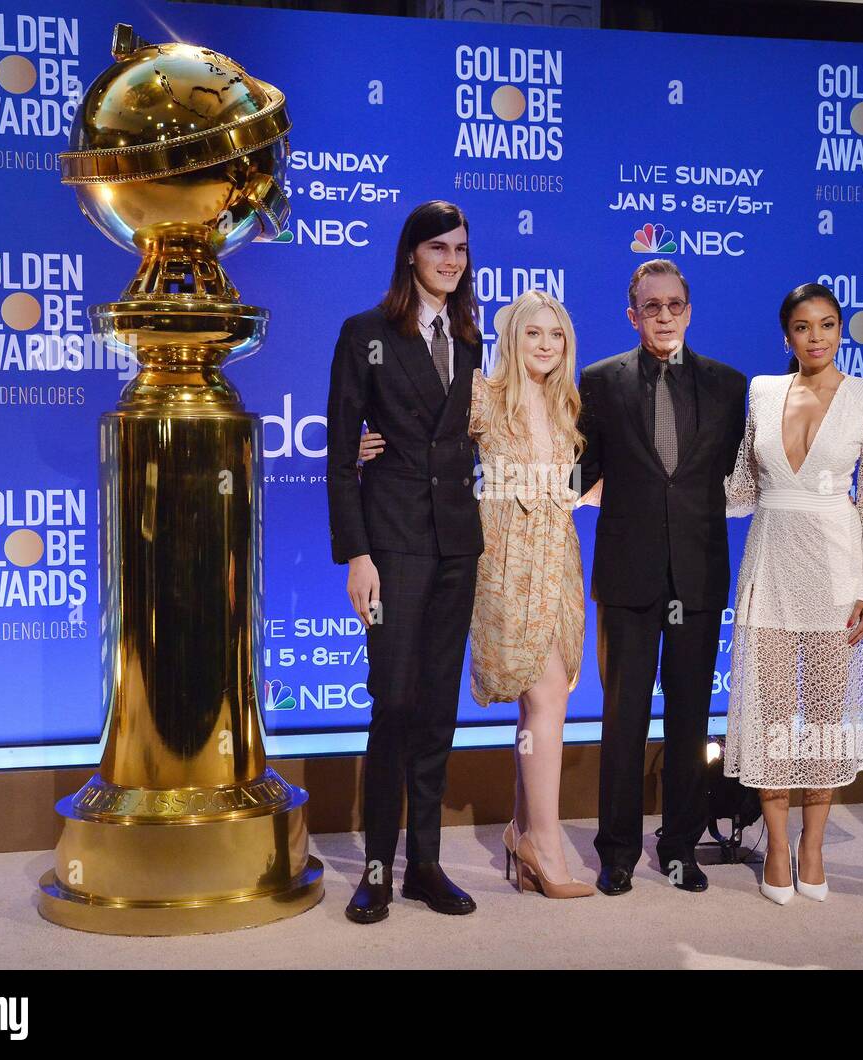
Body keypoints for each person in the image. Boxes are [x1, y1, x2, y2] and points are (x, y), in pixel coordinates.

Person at [360, 290, 596, 899]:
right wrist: (366, 443)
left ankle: (523, 831)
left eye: (557, 336)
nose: (545, 346)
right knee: (541, 693)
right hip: (496, 555)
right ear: (510, 338)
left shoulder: (571, 403)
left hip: (558, 555)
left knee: (544, 695)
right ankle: (543, 845)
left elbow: (596, 472)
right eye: (532, 334)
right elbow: (419, 439)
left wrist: (591, 495)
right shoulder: (480, 399)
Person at [724, 283, 863, 905]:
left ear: (840, 331)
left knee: (827, 717)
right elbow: (741, 487)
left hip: (838, 563)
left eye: (828, 324)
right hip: (770, 559)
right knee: (770, 711)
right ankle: (777, 846)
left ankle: (813, 845)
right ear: (787, 335)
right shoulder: (762, 390)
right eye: (803, 327)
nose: (817, 336)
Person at [326, 200, 484, 924]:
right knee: (393, 701)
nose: (450, 260)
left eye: (459, 249)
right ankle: (379, 869)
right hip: (391, 547)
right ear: (410, 254)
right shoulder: (365, 334)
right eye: (437, 248)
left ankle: (425, 863)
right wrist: (357, 554)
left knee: (436, 712)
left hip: (458, 546)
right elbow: (338, 456)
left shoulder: (470, 337)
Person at [575, 259, 748, 896]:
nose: (666, 316)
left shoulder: (730, 386)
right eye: (653, 307)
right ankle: (616, 850)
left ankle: (679, 847)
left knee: (689, 719)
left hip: (700, 575)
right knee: (622, 719)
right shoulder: (599, 381)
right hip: (627, 577)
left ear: (690, 310)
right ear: (633, 314)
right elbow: (576, 472)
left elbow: (750, 473)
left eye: (676, 305)